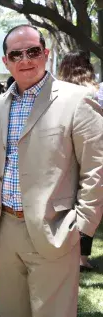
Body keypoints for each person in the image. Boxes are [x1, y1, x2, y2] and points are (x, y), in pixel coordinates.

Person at [0, 24, 103, 317]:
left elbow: (96, 167)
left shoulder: (77, 100)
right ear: (5, 61)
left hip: (56, 230)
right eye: (16, 54)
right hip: (5, 229)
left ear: (46, 54)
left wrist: (82, 225)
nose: (26, 59)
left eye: (33, 51)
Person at [58, 50, 101, 272]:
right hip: (95, 152)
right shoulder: (97, 91)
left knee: (70, 202)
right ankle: (82, 256)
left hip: (66, 153)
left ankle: (71, 251)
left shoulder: (60, 92)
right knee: (90, 200)